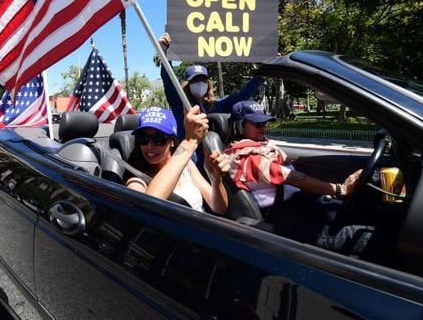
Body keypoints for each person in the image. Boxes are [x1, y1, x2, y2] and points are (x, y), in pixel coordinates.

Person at [224, 100, 375, 254]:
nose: (264, 128)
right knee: (359, 237)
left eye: (265, 123)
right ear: (240, 125)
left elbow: (290, 166)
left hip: (298, 204)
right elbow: (291, 177)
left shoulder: (261, 147)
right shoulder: (246, 156)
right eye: (258, 124)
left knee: (350, 211)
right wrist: (339, 189)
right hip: (283, 217)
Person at [158, 33, 264, 171]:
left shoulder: (216, 105)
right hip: (189, 163)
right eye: (195, 80)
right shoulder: (180, 104)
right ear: (187, 84)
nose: (200, 83)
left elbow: (244, 93)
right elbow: (169, 80)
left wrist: (264, 71)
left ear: (208, 84)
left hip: (214, 163)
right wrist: (164, 53)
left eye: (203, 79)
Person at [125, 106, 229, 214]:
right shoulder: (137, 180)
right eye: (143, 139)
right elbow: (148, 206)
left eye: (158, 139)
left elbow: (219, 208)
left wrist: (216, 180)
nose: (150, 146)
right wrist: (190, 142)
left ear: (172, 141)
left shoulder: (186, 165)